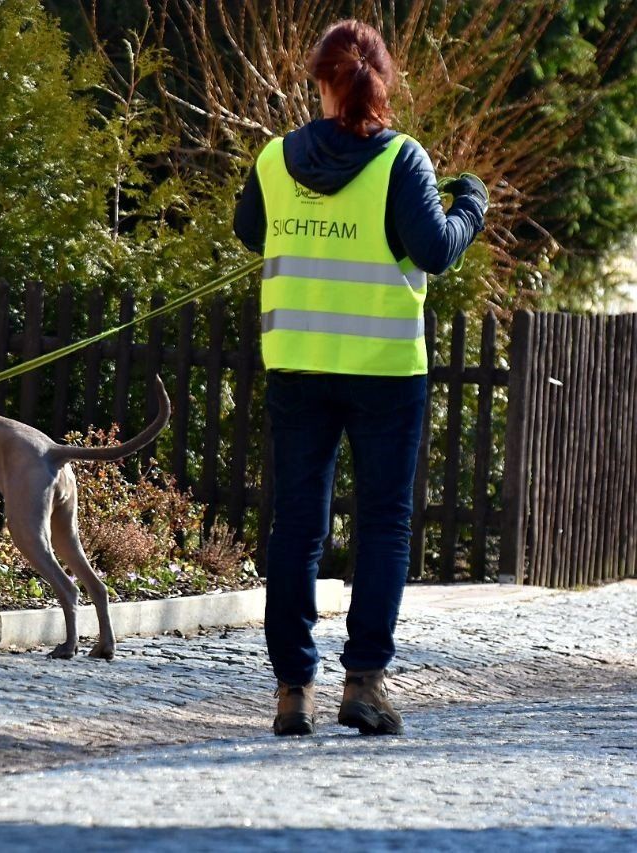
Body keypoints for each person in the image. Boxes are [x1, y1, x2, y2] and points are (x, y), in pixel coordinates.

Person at [233, 19, 487, 736]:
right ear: (383, 82)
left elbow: (250, 231)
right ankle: (366, 685)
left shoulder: (275, 159)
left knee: (297, 529)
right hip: (383, 370)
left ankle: (292, 691)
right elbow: (434, 251)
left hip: (297, 366)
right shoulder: (403, 161)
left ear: (320, 80)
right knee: (382, 525)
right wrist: (471, 205)